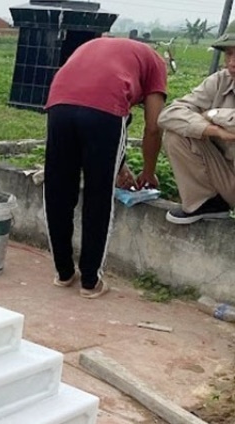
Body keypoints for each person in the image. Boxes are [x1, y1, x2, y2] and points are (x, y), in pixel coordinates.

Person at [43, 37, 167, 299]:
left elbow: (88, 101)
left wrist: (119, 164)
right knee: (98, 196)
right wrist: (148, 171)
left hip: (59, 102)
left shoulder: (98, 46)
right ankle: (90, 281)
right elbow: (153, 127)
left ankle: (63, 273)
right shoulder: (156, 62)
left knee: (58, 191)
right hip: (106, 108)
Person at [157, 22, 235, 225]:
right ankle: (207, 203)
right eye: (229, 54)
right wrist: (213, 130)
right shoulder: (221, 80)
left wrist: (213, 114)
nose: (232, 62)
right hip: (228, 177)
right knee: (177, 134)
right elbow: (169, 114)